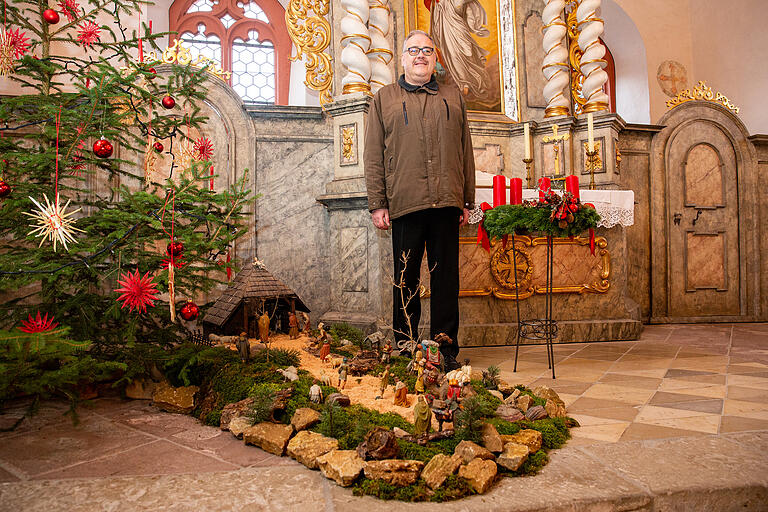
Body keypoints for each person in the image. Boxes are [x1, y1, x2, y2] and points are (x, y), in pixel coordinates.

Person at [364, 30, 475, 373]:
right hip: (405, 202)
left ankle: (446, 349)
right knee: (405, 277)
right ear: (403, 57)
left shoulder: (453, 96)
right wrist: (377, 203)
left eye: (427, 50)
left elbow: (465, 151)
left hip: (446, 203)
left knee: (446, 281)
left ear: (435, 58)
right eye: (414, 50)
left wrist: (467, 200)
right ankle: (406, 345)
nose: (421, 56)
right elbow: (372, 156)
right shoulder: (384, 99)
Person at [425, 0, 492, 102]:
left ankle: (471, 82)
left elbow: (467, 7)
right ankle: (464, 84)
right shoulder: (441, 4)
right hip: (448, 34)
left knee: (468, 53)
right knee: (454, 56)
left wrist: (475, 28)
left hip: (460, 30)